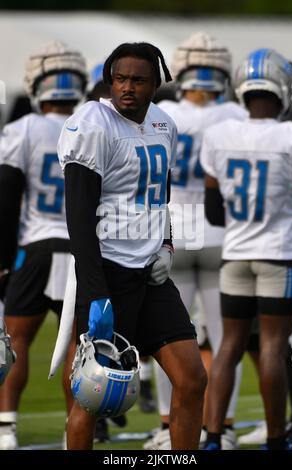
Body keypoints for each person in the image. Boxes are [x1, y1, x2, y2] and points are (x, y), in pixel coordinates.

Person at [57, 41, 207, 450]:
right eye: (120, 79)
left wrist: (167, 244)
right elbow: (79, 217)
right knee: (94, 395)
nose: (127, 88)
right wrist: (95, 291)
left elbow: (162, 190)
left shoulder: (163, 123)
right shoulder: (92, 122)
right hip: (108, 272)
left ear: (156, 83)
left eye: (138, 80)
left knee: (193, 379)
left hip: (151, 275)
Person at [146, 31, 247, 450]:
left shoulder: (162, 112)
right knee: (226, 341)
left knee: (166, 337)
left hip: (172, 232)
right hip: (224, 234)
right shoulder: (237, 117)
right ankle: (219, 426)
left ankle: (168, 424)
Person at [201, 47, 292, 450]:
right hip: (280, 253)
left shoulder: (219, 134)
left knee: (228, 346)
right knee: (274, 349)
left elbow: (212, 209)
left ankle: (212, 435)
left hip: (235, 253)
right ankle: (276, 437)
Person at [0, 40, 87, 450]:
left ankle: (6, 427)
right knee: (77, 344)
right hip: (81, 248)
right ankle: (78, 425)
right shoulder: (94, 124)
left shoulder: (22, 130)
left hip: (35, 246)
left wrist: (3, 258)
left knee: (15, 340)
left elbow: (6, 198)